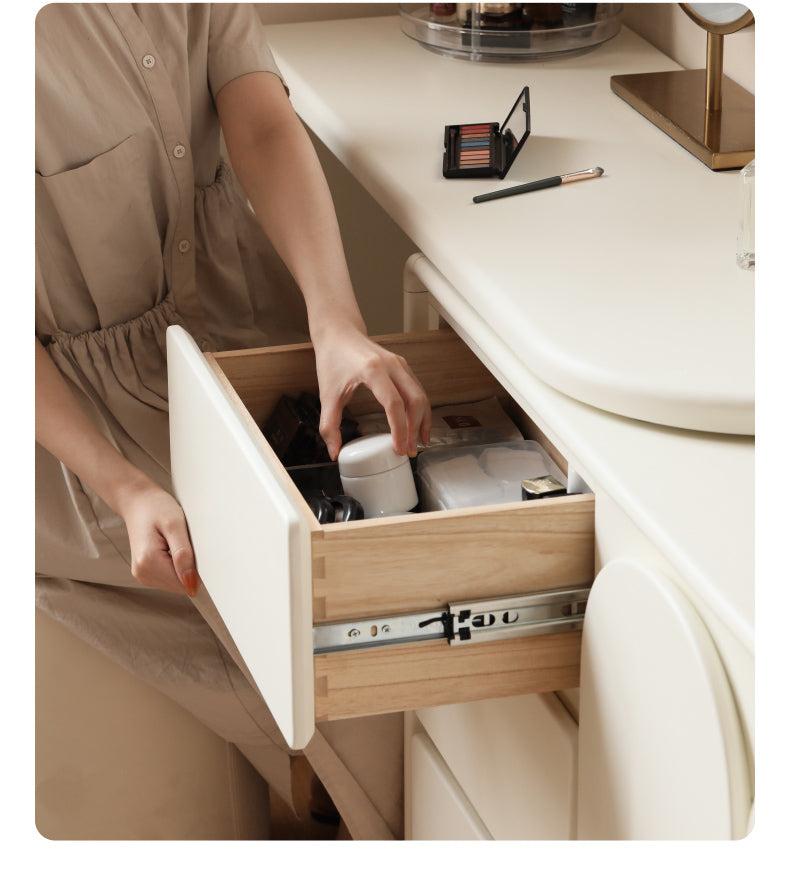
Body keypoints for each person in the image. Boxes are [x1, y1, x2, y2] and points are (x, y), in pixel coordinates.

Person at [35, 3, 431, 840]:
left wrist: (336, 324)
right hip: (81, 430)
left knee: (392, 595)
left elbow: (260, 127)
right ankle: (343, 804)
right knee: (325, 642)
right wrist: (126, 488)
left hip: (244, 327)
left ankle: (346, 800)